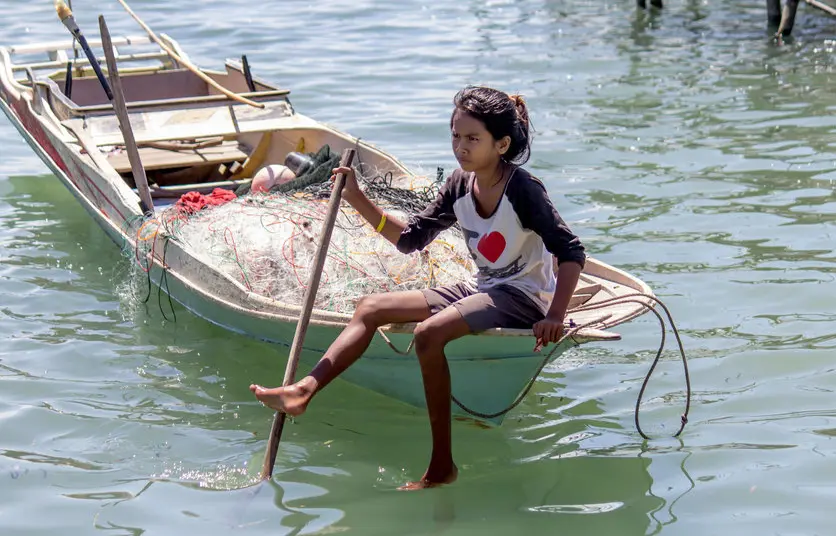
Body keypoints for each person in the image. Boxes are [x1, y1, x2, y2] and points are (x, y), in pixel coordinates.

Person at [250, 85, 586, 490]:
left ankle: (442, 465)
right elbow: (410, 240)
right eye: (455, 136)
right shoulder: (460, 186)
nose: (460, 147)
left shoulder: (523, 190)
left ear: (502, 144)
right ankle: (304, 390)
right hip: (483, 288)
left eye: (472, 139)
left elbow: (571, 252)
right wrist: (357, 198)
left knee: (430, 334)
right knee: (371, 306)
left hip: (523, 298)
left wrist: (555, 315)